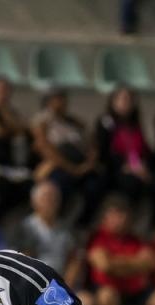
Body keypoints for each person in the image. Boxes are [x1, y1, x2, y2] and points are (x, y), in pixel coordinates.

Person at [82, 197, 155, 305]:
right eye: (115, 215)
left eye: (123, 215)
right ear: (104, 219)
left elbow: (152, 262)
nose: (120, 220)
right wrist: (135, 264)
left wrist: (116, 263)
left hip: (137, 291)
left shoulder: (136, 240)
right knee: (107, 296)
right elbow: (105, 266)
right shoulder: (97, 238)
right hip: (107, 288)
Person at [29, 89, 101, 221]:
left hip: (81, 163)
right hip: (59, 165)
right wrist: (73, 169)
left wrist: (89, 162)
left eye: (63, 99)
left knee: (95, 186)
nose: (61, 102)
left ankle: (83, 222)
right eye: (57, 99)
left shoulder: (73, 121)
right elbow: (45, 147)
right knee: (59, 186)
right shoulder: (42, 121)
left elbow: (91, 141)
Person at [94, 87, 155, 214]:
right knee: (130, 182)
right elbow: (103, 151)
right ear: (113, 101)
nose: (125, 102)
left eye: (128, 99)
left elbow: (145, 150)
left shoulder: (135, 125)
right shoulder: (106, 121)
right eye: (121, 99)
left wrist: (144, 166)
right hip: (115, 167)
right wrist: (126, 166)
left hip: (137, 166)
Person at [18, 181, 81, 285]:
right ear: (34, 202)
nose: (50, 202)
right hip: (35, 283)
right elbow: (25, 262)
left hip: (62, 282)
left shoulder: (66, 228)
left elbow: (74, 258)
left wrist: (66, 285)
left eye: (54, 198)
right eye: (45, 198)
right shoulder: (26, 227)